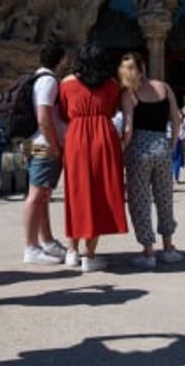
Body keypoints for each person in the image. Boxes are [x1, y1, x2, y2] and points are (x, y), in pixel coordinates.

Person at [58, 43, 128, 272]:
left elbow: (63, 112)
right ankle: (89, 254)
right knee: (99, 194)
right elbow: (115, 111)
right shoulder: (111, 86)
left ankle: (71, 250)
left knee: (75, 192)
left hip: (76, 137)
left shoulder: (66, 84)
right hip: (104, 138)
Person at [118, 52, 184, 270]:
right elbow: (177, 120)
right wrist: (172, 144)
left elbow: (127, 129)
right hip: (161, 146)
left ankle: (148, 251)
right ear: (144, 66)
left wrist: (120, 150)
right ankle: (168, 247)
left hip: (138, 148)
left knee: (140, 200)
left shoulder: (129, 93)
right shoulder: (164, 88)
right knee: (164, 196)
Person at [22, 42, 70, 266]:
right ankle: (31, 247)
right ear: (60, 60)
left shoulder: (37, 79)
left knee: (43, 195)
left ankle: (47, 240)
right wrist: (54, 145)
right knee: (36, 195)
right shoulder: (49, 81)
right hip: (44, 144)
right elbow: (43, 116)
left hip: (36, 143)